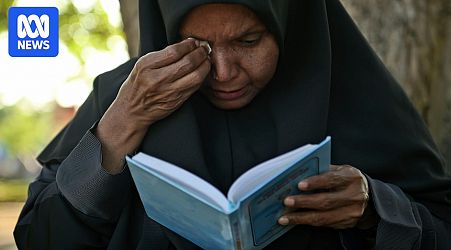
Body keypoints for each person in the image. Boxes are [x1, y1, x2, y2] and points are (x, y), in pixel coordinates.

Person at [14, 0, 451, 249]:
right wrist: (116, 130)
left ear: (289, 25)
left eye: (248, 41)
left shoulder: (357, 97)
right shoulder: (126, 97)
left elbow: (440, 227)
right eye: (197, 46)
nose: (223, 73)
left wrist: (377, 209)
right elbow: (40, 239)